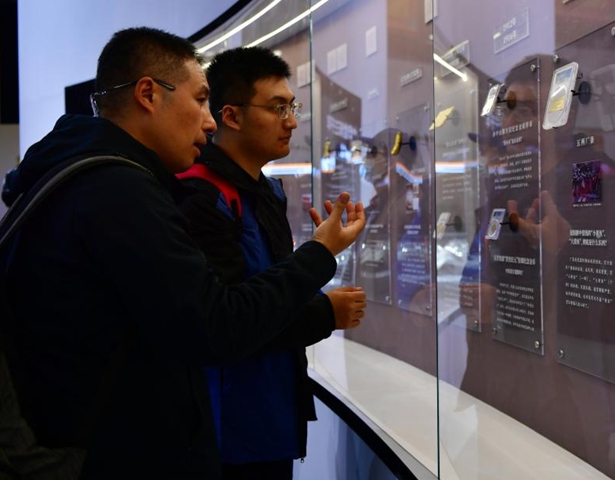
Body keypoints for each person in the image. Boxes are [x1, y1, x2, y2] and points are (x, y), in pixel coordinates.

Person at [0, 27, 364, 480]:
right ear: (148, 94)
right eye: (200, 99)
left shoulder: (82, 178)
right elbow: (216, 324)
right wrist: (320, 256)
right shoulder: (118, 191)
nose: (209, 122)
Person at [176, 46, 366, 480]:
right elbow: (230, 321)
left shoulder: (264, 191)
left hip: (268, 412)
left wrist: (317, 252)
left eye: (292, 106)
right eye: (278, 108)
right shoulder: (200, 195)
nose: (292, 121)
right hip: (228, 427)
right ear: (232, 116)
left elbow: (267, 289)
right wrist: (324, 305)